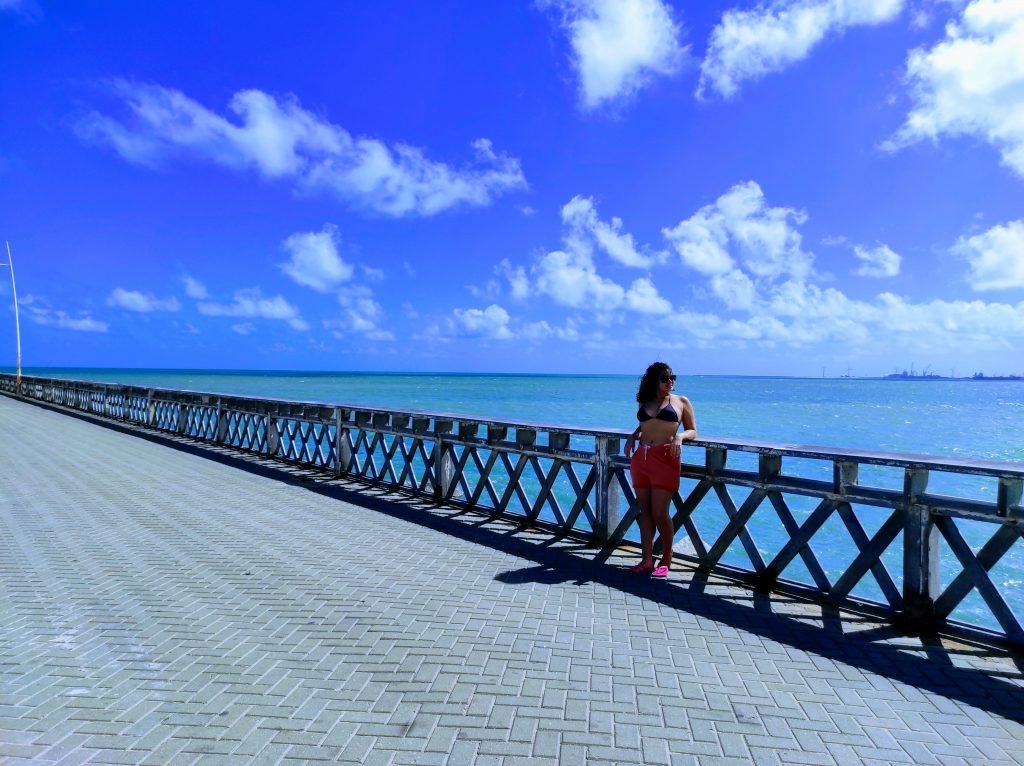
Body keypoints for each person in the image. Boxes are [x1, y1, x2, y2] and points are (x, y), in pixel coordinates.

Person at [623, 362, 697, 578]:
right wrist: (633, 435)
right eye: (665, 378)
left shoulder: (681, 401)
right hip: (641, 458)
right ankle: (646, 560)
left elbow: (692, 430)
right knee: (644, 512)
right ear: (654, 380)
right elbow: (645, 424)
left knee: (660, 512)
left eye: (673, 377)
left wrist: (680, 437)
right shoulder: (644, 401)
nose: (670, 381)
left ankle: (666, 558)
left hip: (666, 458)